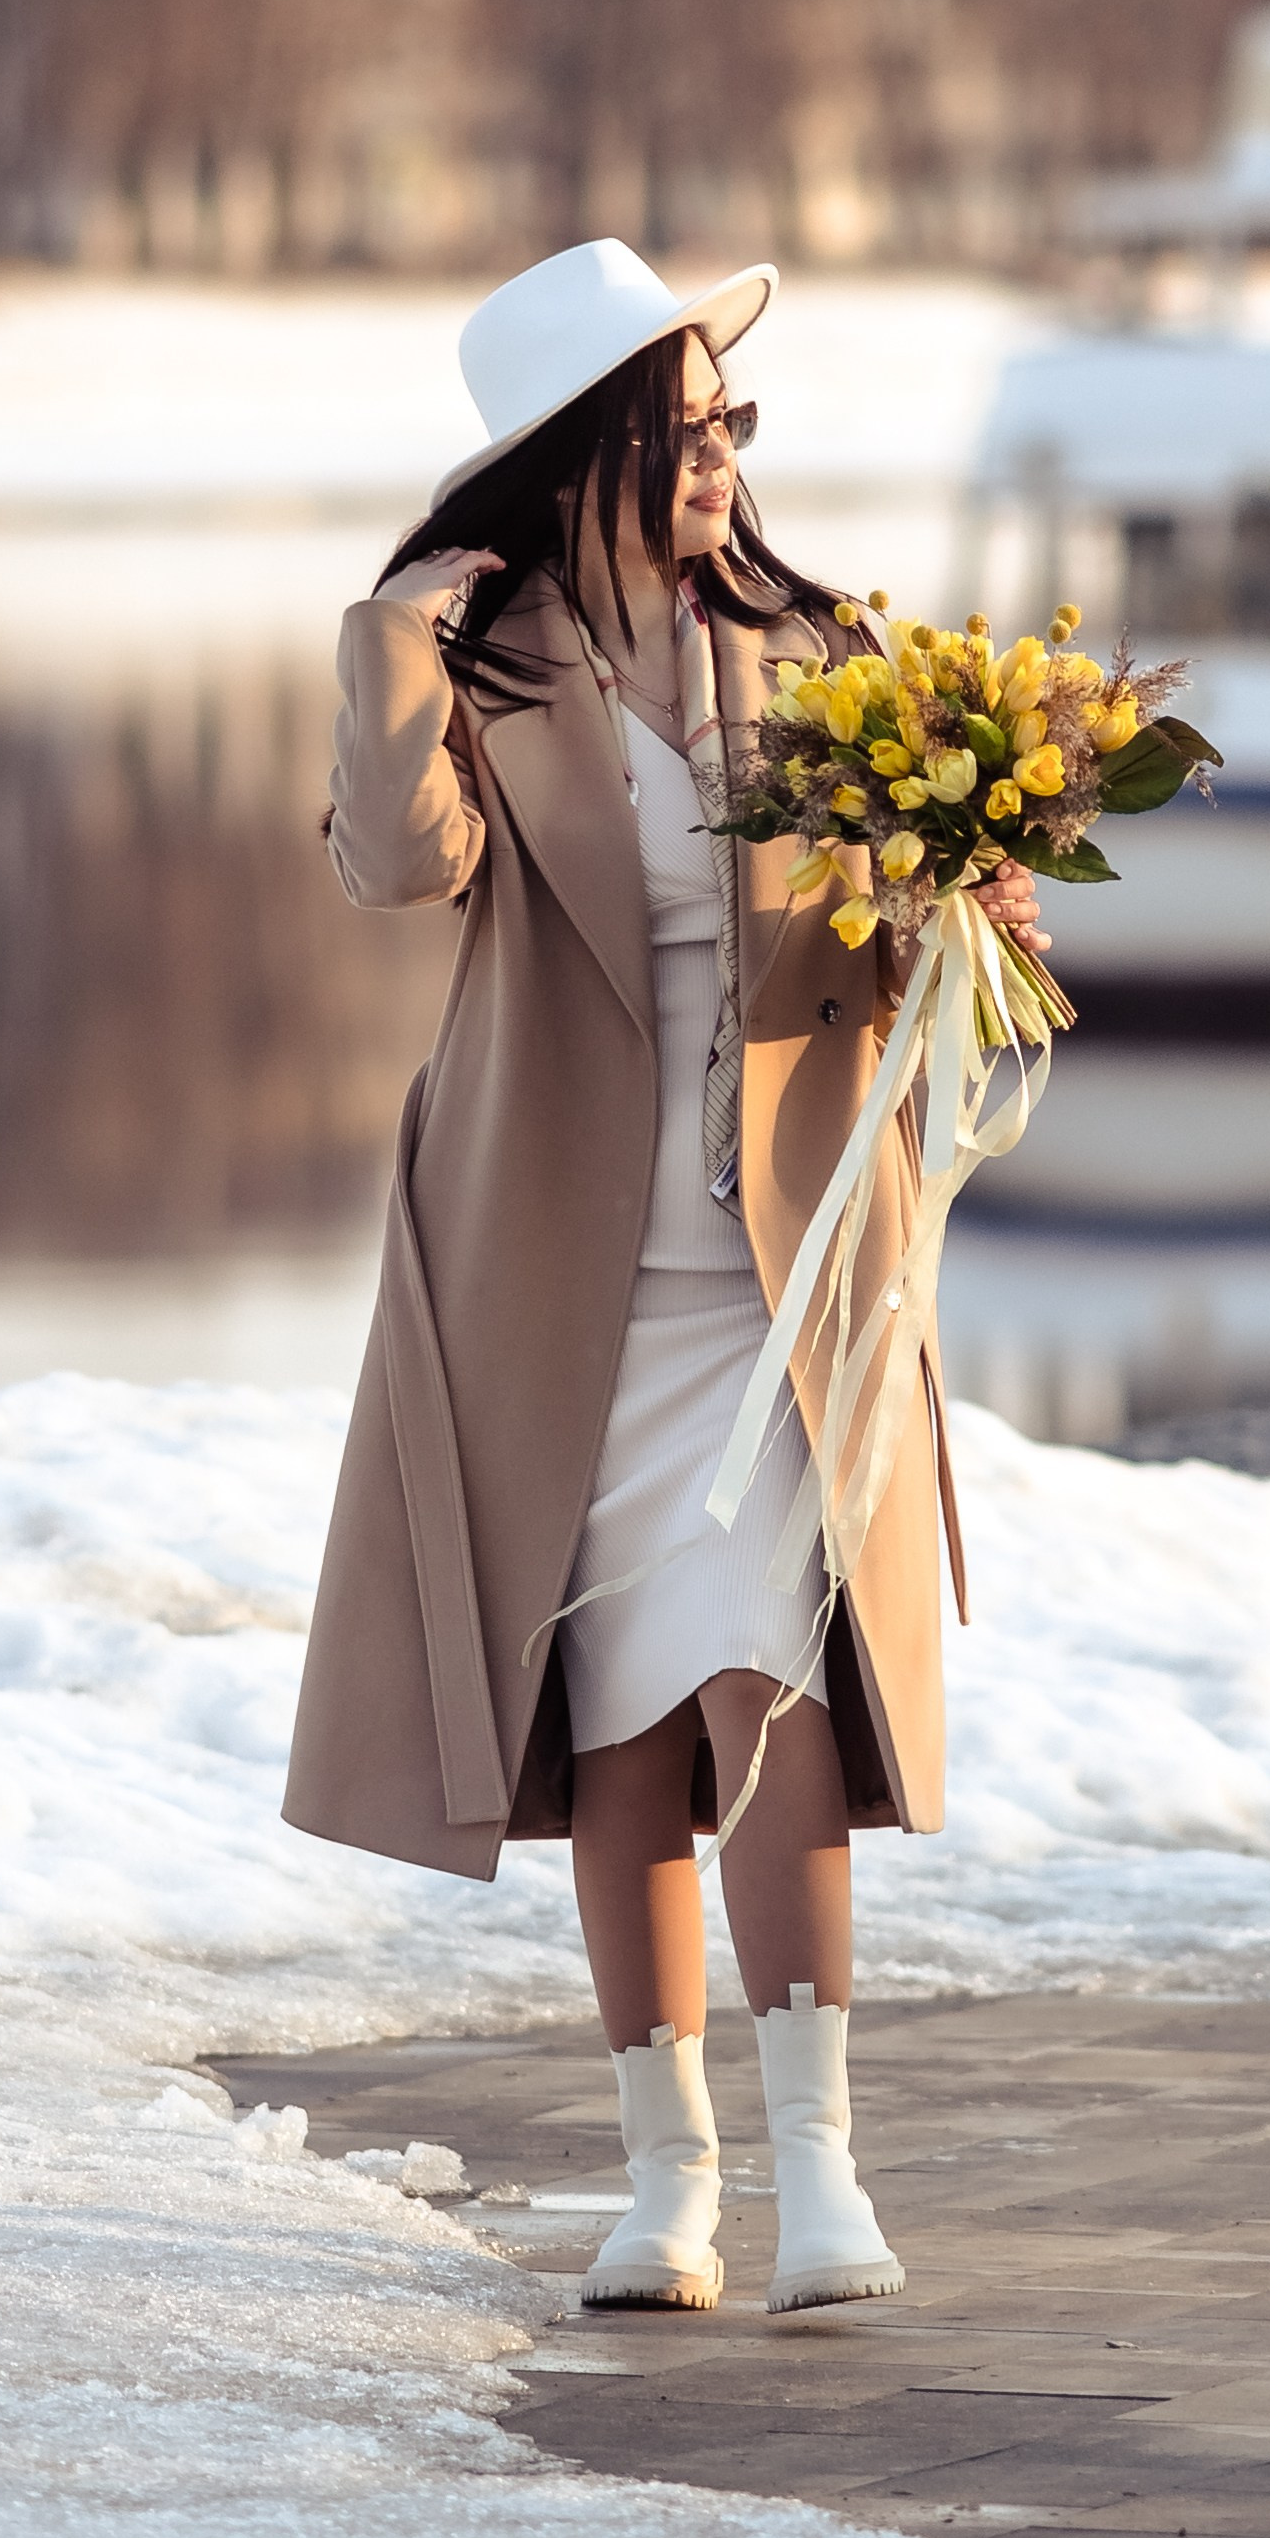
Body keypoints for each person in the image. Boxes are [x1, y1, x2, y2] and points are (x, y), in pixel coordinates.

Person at [282, 239, 1048, 2318]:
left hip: (783, 1274)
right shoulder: (485, 669)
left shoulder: (822, 649)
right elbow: (397, 867)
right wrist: (388, 644)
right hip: (560, 1279)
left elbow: (895, 920)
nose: (721, 457)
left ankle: (822, 2172)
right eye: (685, 426)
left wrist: (973, 896)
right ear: (581, 453)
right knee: (616, 1720)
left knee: (766, 1687)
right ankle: (668, 2182)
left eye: (732, 421)